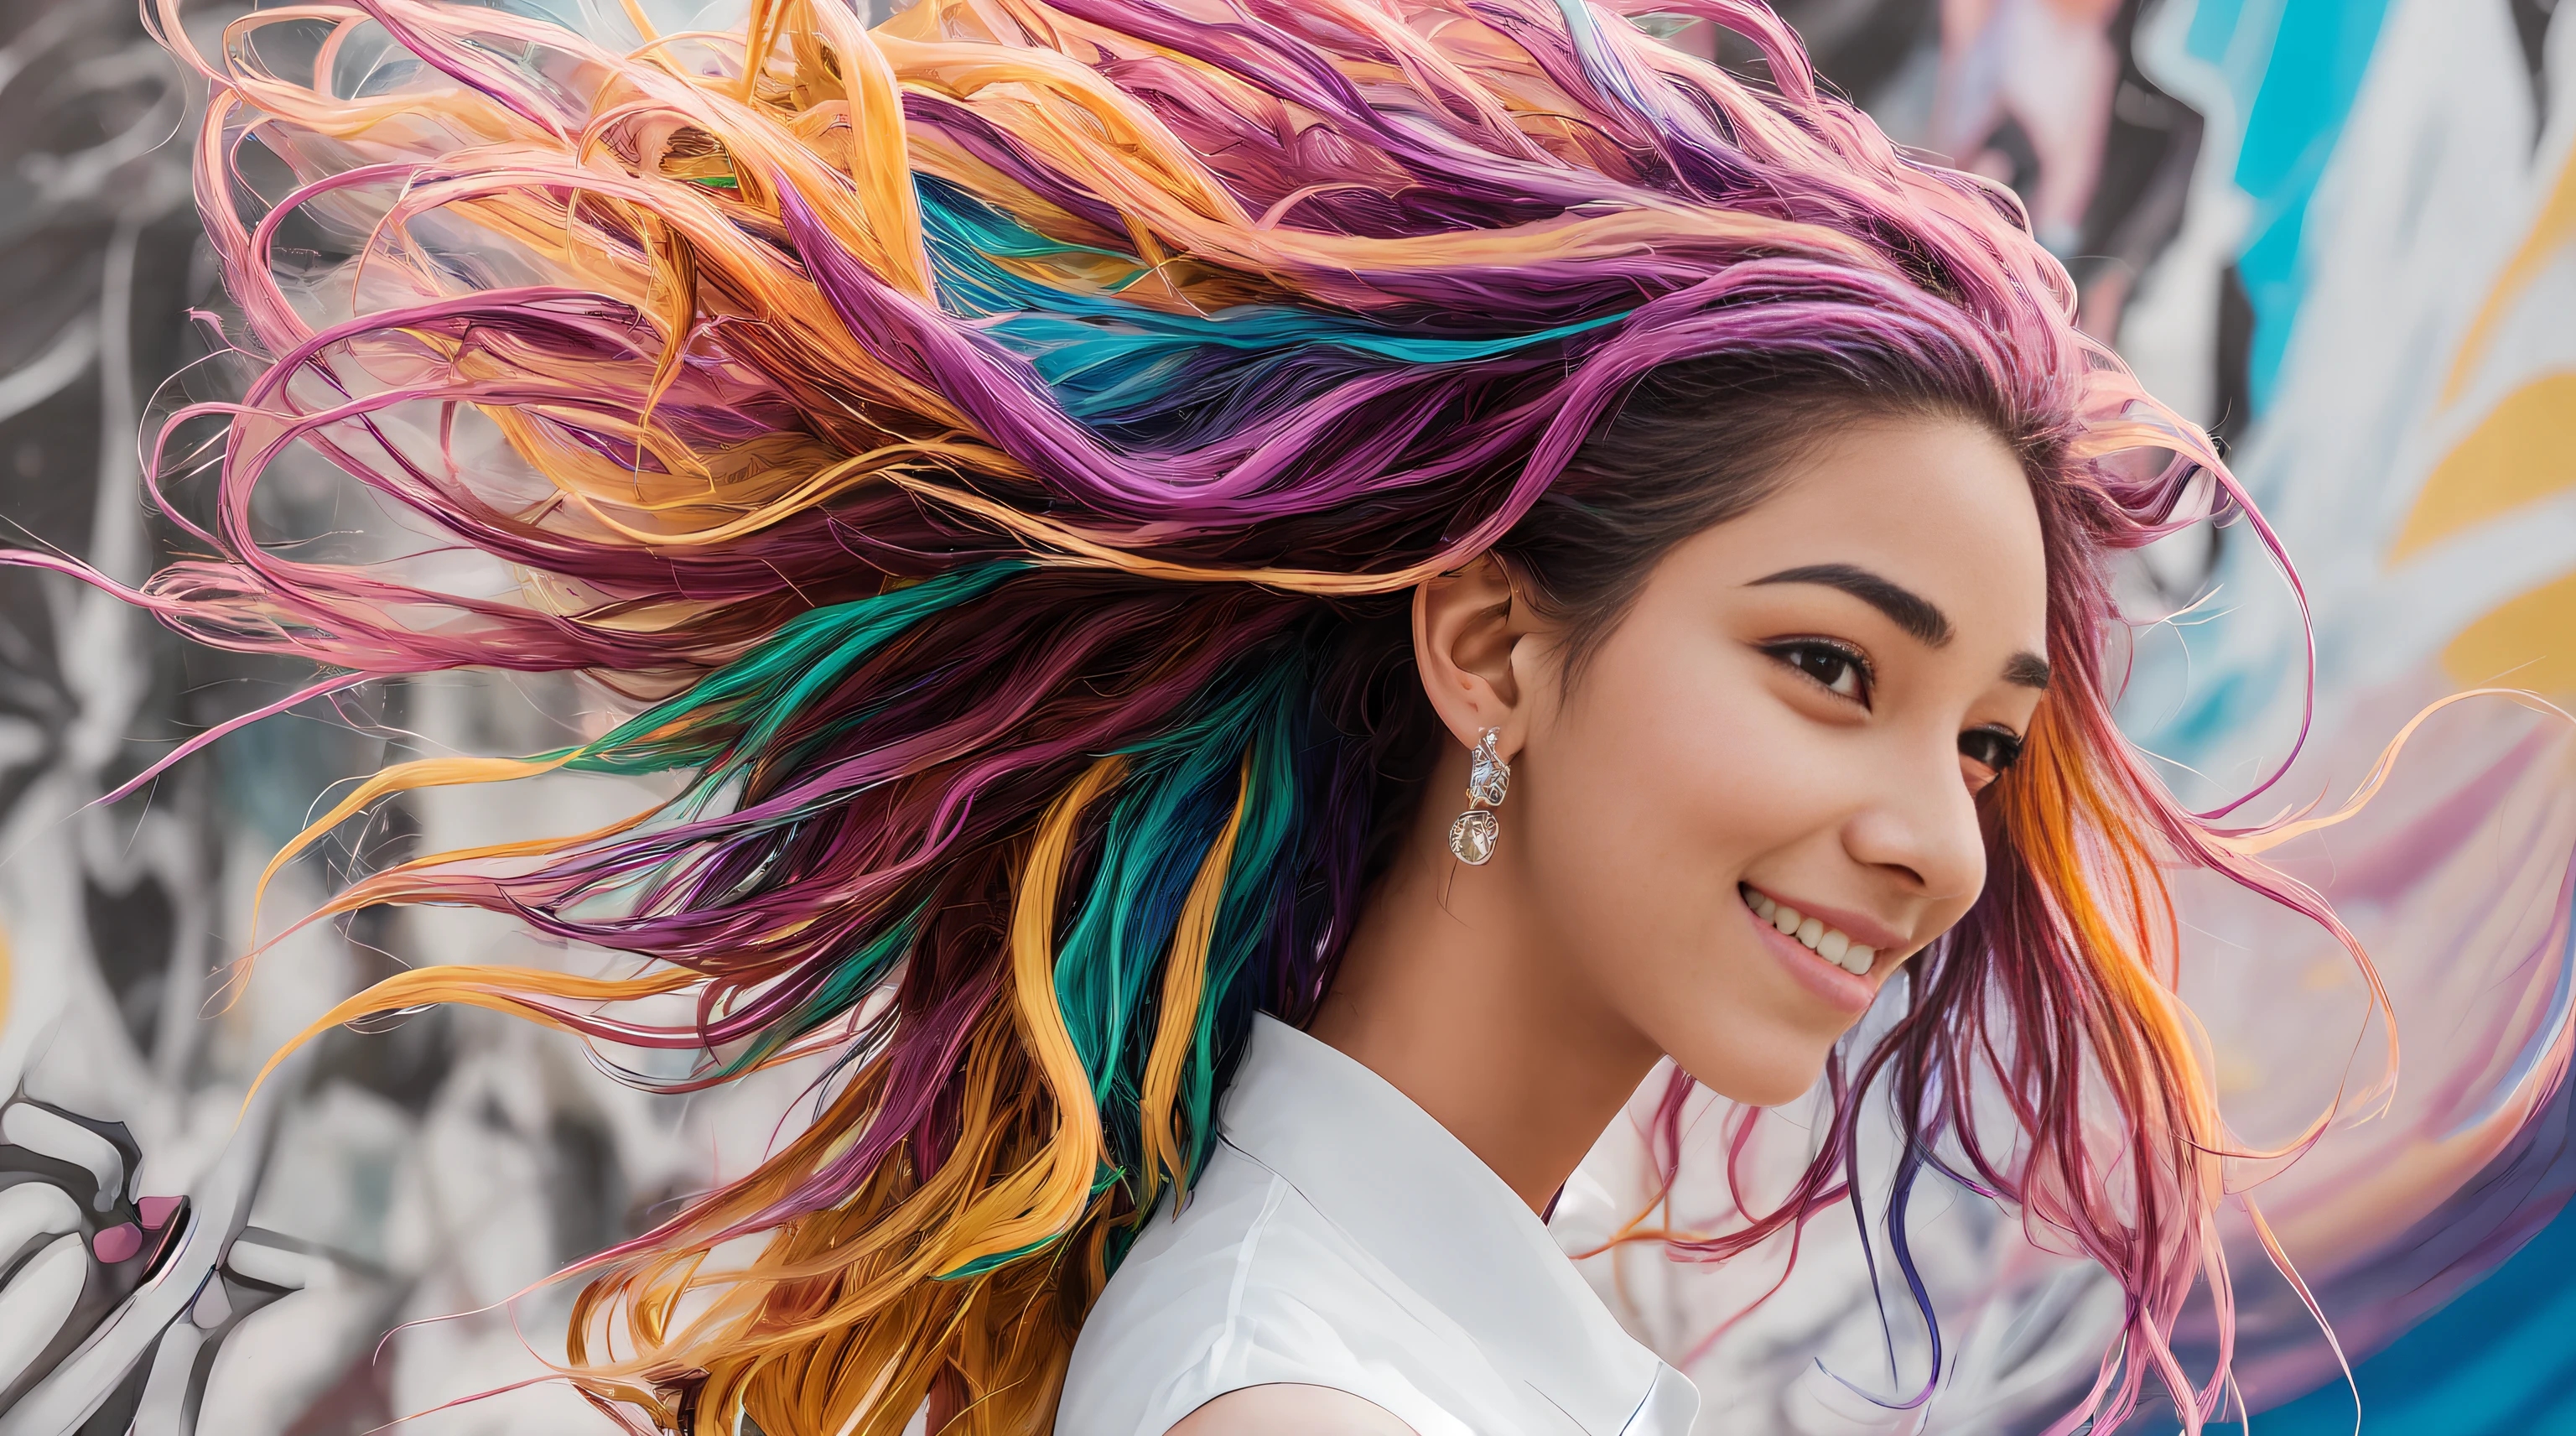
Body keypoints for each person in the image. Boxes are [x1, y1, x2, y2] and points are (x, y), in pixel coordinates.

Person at [98, 0, 2371, 1431]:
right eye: (1828, 670)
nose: (1938, 837)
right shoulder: (1308, 1389)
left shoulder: (1415, 1331)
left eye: (1985, 737)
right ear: (1492, 652)